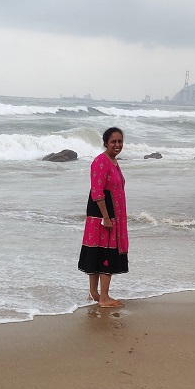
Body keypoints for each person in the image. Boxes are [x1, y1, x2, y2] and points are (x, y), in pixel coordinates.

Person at [78, 127, 128, 308]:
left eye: (120, 141)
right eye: (113, 141)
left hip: (110, 214)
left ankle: (95, 294)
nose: (117, 145)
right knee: (106, 252)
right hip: (103, 215)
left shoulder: (113, 161)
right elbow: (97, 192)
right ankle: (104, 297)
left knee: (98, 252)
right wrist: (106, 217)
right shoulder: (101, 162)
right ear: (106, 143)